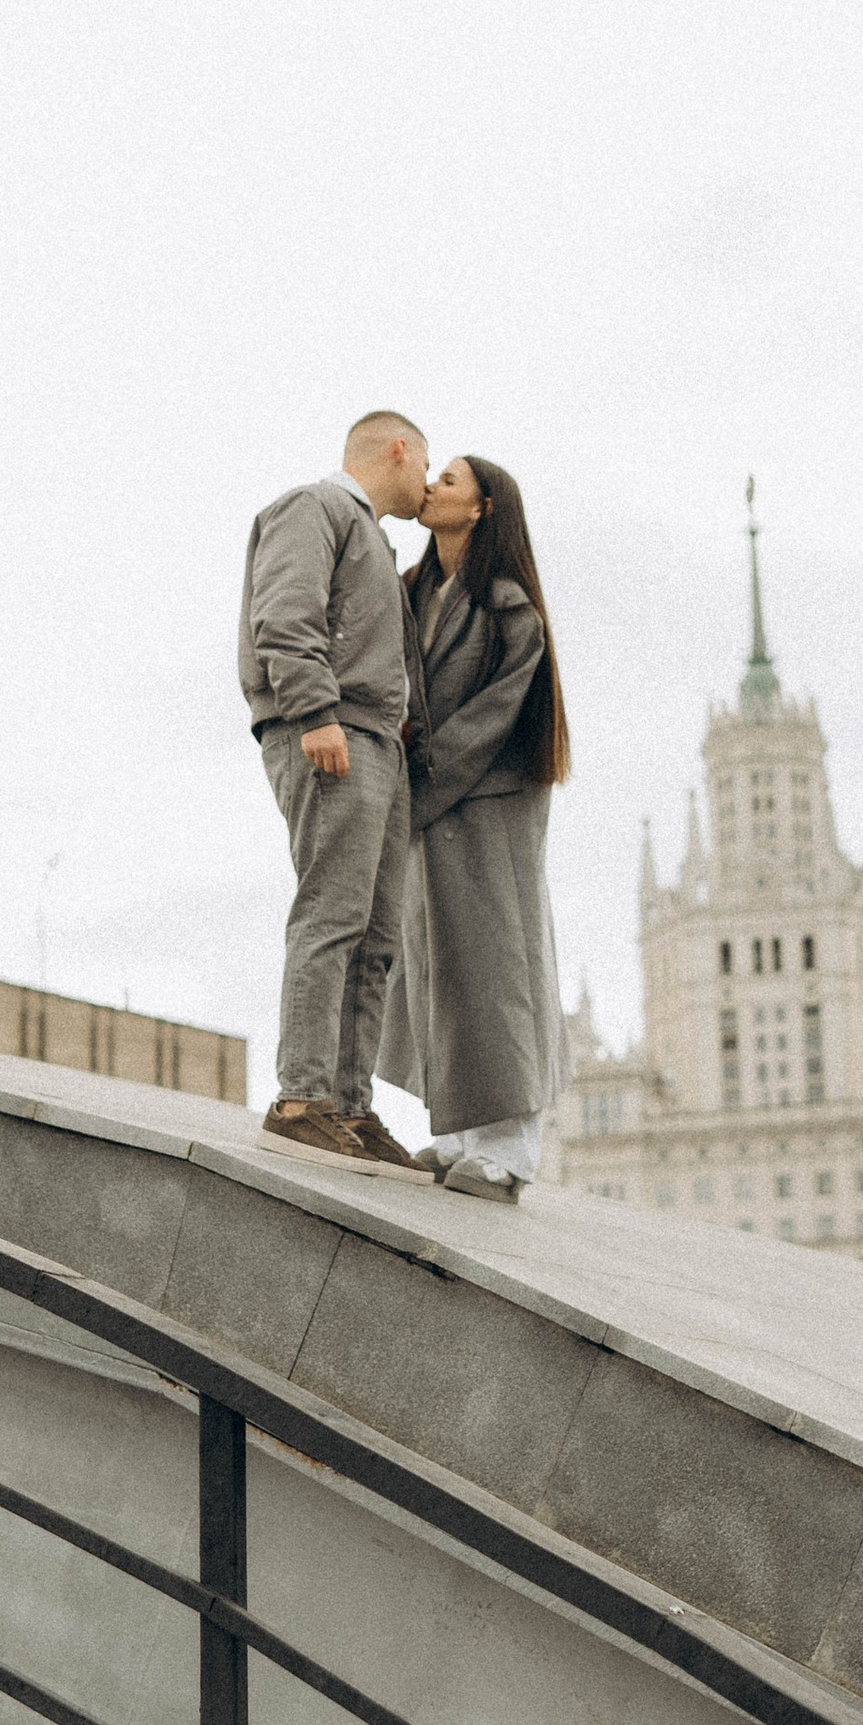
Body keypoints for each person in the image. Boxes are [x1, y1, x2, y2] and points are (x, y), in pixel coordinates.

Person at [238, 412, 433, 1162]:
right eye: (426, 463)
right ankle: (302, 1097)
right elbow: (284, 614)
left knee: (378, 933)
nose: (426, 481)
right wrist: (315, 711)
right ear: (398, 451)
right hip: (332, 734)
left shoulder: (372, 538)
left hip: (377, 744)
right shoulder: (312, 508)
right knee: (332, 913)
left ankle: (349, 1107)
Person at [376, 452, 571, 1200]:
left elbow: (492, 719)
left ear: (484, 508)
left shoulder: (508, 607)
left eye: (449, 481)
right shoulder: (415, 591)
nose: (431, 489)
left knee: (497, 968)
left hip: (487, 807)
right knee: (436, 962)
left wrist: (419, 780)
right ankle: (457, 1135)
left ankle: (511, 1151)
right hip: (433, 804)